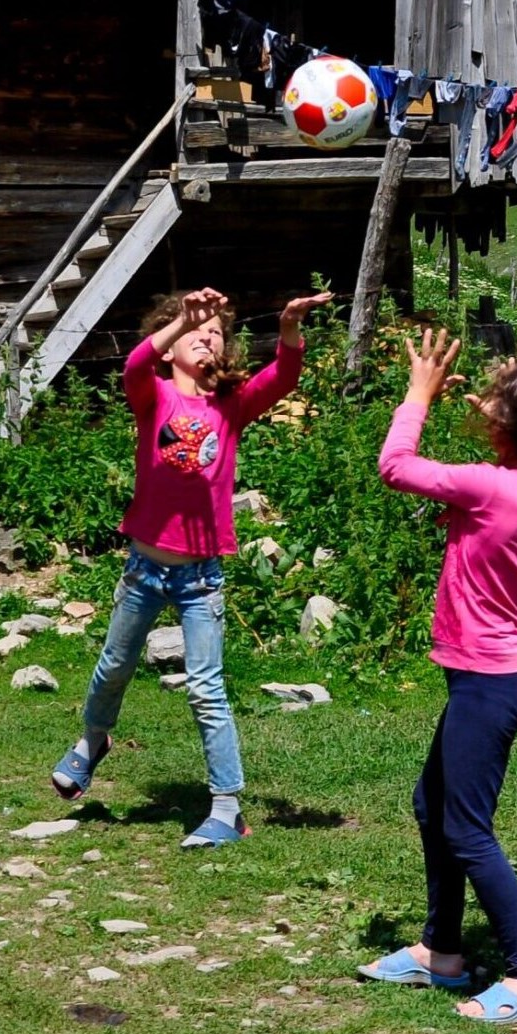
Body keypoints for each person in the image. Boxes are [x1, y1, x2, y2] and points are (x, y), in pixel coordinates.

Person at [359, 329, 517, 1025]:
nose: (480, 401)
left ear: (511, 427)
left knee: (465, 829)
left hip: (488, 685)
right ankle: (442, 952)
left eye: (491, 399)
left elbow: (394, 465)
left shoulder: (493, 487)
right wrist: (485, 412)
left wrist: (418, 393)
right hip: (487, 680)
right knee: (434, 809)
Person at [50, 286, 332, 847]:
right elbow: (132, 364)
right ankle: (92, 741)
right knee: (113, 667)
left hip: (201, 576)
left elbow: (283, 377)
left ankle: (227, 809)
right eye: (193, 335)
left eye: (216, 335)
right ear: (168, 347)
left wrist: (289, 327)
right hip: (144, 569)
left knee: (207, 689)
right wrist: (182, 317)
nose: (206, 338)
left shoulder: (229, 406)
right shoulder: (151, 396)